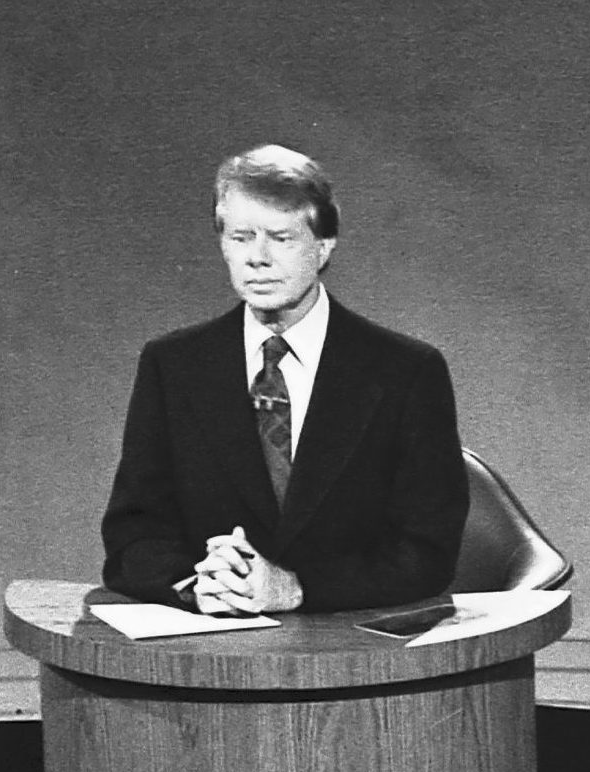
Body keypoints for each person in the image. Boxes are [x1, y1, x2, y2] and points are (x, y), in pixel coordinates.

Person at [100, 145, 468, 615]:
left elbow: (428, 553)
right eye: (240, 237)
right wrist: (193, 585)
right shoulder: (172, 365)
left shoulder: (406, 371)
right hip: (214, 650)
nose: (258, 258)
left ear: (324, 246)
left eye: (281, 237)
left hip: (354, 653)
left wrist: (298, 588)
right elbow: (132, 536)